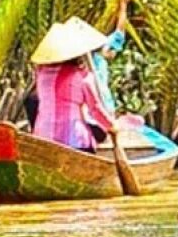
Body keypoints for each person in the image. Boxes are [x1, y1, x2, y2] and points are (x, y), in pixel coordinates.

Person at [28, 19, 115, 152]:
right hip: (74, 140)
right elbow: (95, 109)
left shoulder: (41, 74)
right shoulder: (83, 77)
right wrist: (112, 127)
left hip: (43, 137)